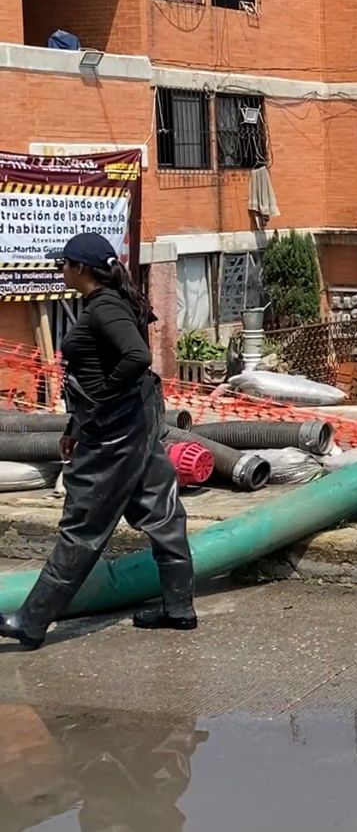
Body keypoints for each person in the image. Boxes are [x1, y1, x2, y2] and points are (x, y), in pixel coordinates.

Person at [0, 233, 196, 652]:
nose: (61, 270)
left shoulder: (105, 306)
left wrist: (104, 400)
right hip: (134, 424)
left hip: (114, 435)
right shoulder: (113, 301)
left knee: (82, 527)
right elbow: (109, 369)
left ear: (82, 270)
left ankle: (30, 622)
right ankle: (179, 609)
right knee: (162, 514)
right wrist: (75, 427)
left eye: (65, 264)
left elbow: (136, 358)